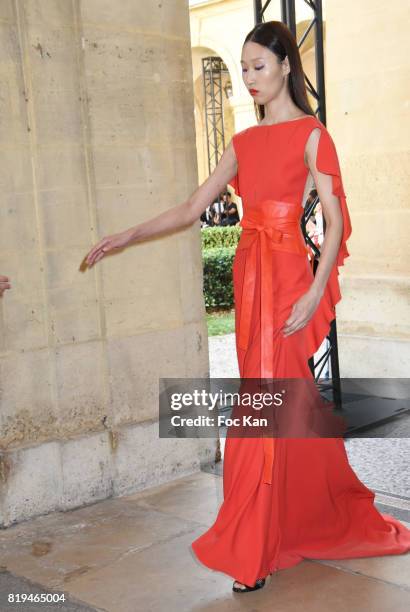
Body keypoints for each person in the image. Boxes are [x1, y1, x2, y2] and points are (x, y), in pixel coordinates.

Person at [85, 20, 410, 595]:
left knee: (262, 405)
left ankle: (253, 548)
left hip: (287, 281)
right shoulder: (243, 142)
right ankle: (309, 514)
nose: (250, 78)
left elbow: (334, 223)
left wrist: (313, 291)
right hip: (250, 277)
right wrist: (125, 236)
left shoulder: (313, 135)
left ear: (286, 65)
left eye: (258, 66)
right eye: (243, 69)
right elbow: (191, 208)